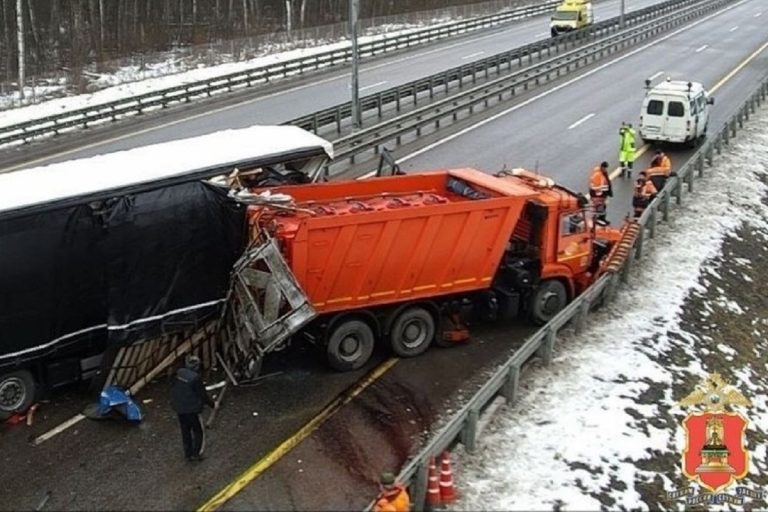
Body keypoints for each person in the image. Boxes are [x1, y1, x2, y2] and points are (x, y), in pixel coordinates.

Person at [170, 354, 215, 461]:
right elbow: (202, 395)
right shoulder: (195, 378)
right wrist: (213, 404)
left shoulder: (179, 373)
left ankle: (188, 453)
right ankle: (197, 453)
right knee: (198, 431)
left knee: (185, 431)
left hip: (179, 408)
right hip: (192, 410)